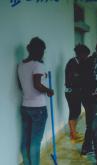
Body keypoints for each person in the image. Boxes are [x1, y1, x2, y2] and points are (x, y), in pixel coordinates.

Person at [17, 37, 54, 165]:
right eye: (42, 50)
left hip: (25, 106)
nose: (43, 53)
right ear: (38, 51)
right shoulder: (38, 65)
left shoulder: (21, 65)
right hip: (38, 108)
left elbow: (21, 86)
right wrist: (49, 90)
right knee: (35, 142)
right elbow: (37, 85)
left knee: (26, 139)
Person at [65, 44, 90, 143]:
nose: (87, 57)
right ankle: (72, 135)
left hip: (76, 91)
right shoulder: (73, 63)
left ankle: (73, 132)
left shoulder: (79, 62)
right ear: (81, 54)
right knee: (74, 112)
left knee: (77, 111)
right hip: (71, 92)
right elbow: (74, 78)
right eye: (86, 55)